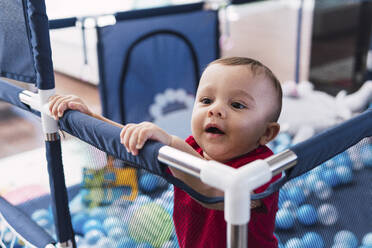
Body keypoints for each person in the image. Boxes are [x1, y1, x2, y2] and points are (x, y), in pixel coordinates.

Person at [49, 57, 283, 248]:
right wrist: (90, 117)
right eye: (206, 100)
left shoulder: (263, 168)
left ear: (266, 133)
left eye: (237, 105)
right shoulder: (193, 148)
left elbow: (214, 192)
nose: (216, 110)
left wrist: (171, 143)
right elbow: (130, 142)